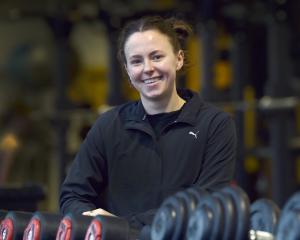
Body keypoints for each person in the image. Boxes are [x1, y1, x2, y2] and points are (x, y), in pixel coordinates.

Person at [59, 15, 237, 228]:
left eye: (157, 57)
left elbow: (208, 200)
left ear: (178, 59)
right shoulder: (109, 125)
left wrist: (124, 226)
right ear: (127, 70)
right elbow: (72, 195)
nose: (147, 68)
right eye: (136, 61)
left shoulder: (215, 124)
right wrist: (93, 219)